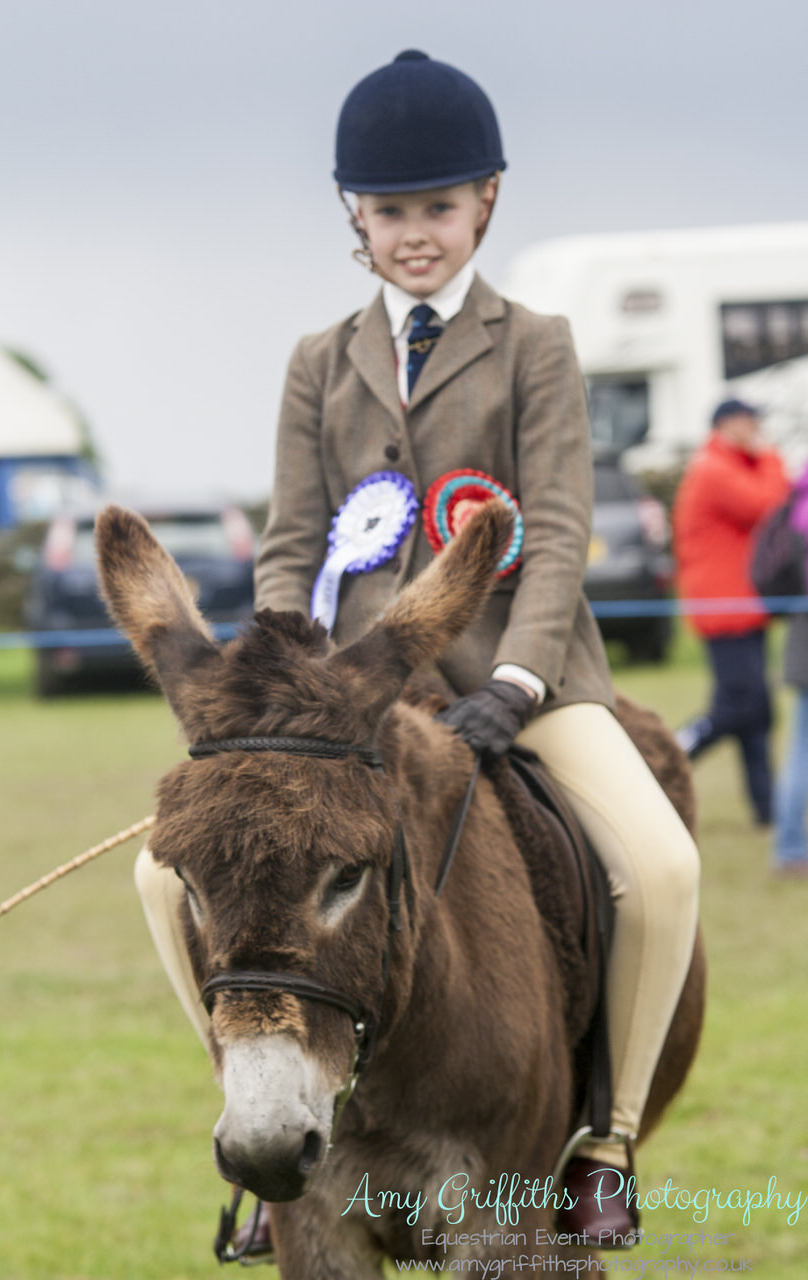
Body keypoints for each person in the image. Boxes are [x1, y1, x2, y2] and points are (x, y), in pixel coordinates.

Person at [135, 50, 700, 1249]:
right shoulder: (316, 359)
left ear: (484, 199)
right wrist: (285, 692)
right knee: (159, 876)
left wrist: (516, 678)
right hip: (346, 704)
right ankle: (264, 1121)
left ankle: (604, 1138)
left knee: (657, 867)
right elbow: (291, 546)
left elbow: (553, 529)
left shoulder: (534, 340)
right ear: (358, 215)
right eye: (390, 212)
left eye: (437, 208)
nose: (414, 234)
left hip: (524, 679)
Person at [672, 400, 790, 826]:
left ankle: (767, 809)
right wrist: (771, 454)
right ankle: (665, 757)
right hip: (724, 607)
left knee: (757, 711)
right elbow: (772, 506)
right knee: (739, 706)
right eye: (749, 420)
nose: (756, 428)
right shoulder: (714, 468)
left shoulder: (733, 464)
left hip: (743, 605)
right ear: (726, 424)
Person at [773, 460, 808, 876]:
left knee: (800, 747)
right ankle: (790, 847)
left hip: (801, 639)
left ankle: (789, 846)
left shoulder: (797, 500)